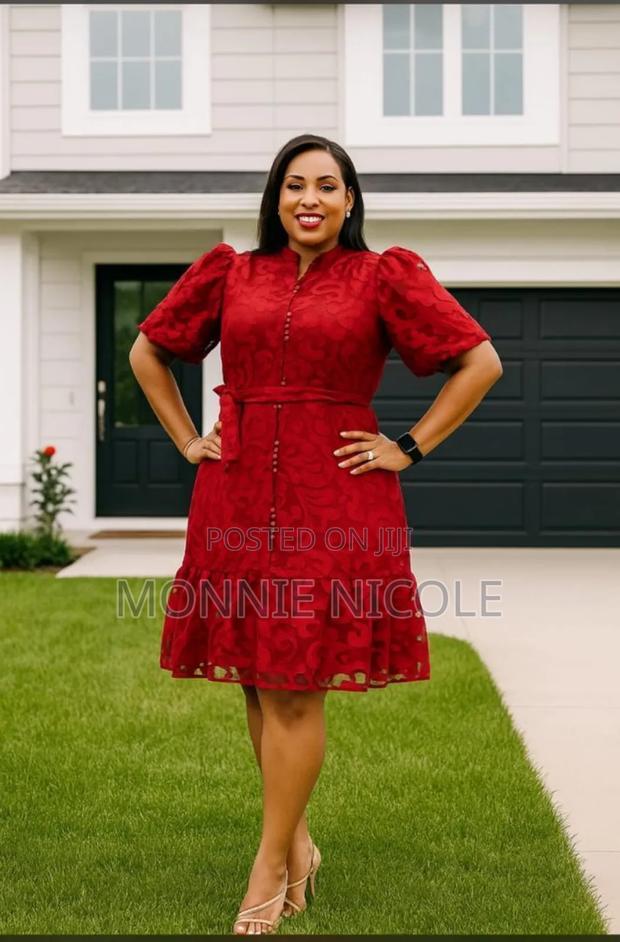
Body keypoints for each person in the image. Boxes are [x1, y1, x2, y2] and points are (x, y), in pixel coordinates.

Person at [129, 133, 503, 935]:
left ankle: (266, 866)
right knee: (258, 680)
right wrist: (190, 438)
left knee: (297, 683)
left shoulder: (383, 275)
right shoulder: (232, 271)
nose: (309, 199)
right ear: (275, 198)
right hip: (232, 500)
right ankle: (295, 840)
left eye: (326, 186)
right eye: (294, 185)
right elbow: (148, 351)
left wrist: (408, 445)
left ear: (350, 200)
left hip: (334, 503)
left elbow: (480, 361)